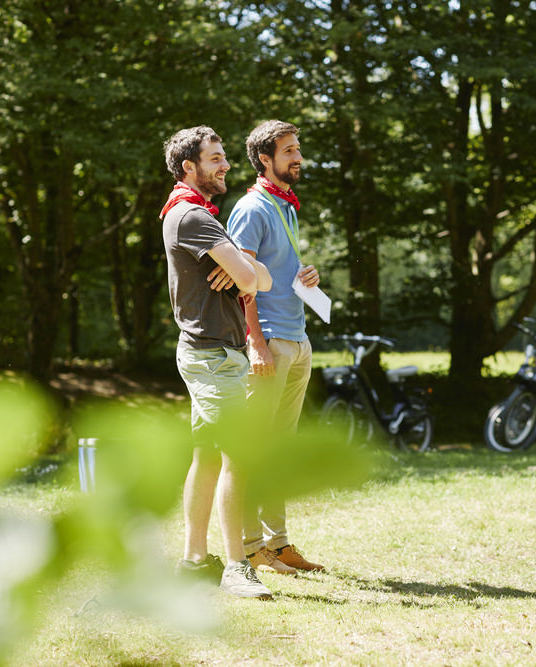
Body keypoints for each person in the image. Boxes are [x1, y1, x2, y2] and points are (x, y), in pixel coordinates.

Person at [161, 125, 274, 598]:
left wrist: (246, 275)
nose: (226, 164)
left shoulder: (190, 214)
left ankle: (193, 561)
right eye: (215, 158)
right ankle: (235, 566)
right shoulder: (193, 218)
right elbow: (254, 275)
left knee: (207, 458)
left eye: (225, 156)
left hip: (209, 351)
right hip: (213, 355)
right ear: (190, 166)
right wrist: (245, 274)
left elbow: (257, 278)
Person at [215, 119, 324, 574]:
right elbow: (243, 284)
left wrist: (305, 278)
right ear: (265, 159)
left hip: (298, 338)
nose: (298, 156)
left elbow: (273, 272)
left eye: (298, 148)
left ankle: (278, 544)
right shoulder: (251, 208)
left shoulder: (287, 206)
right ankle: (250, 545)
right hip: (270, 343)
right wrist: (255, 342)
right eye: (289, 150)